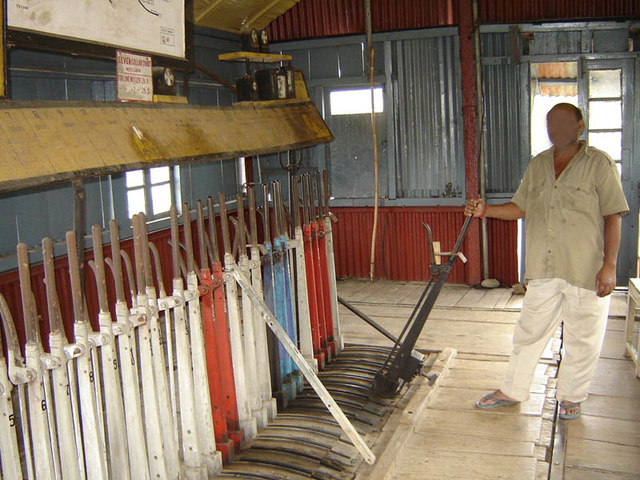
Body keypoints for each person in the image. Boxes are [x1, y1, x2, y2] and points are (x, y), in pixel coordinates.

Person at [465, 103, 629, 420]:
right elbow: (520, 207)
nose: (556, 129)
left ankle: (572, 396)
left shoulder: (598, 163)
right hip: (543, 267)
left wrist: (609, 266)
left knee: (583, 336)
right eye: (550, 123)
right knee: (528, 332)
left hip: (586, 268)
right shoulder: (538, 164)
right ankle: (513, 390)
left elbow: (613, 216)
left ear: (580, 125)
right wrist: (485, 211)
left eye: (564, 123)